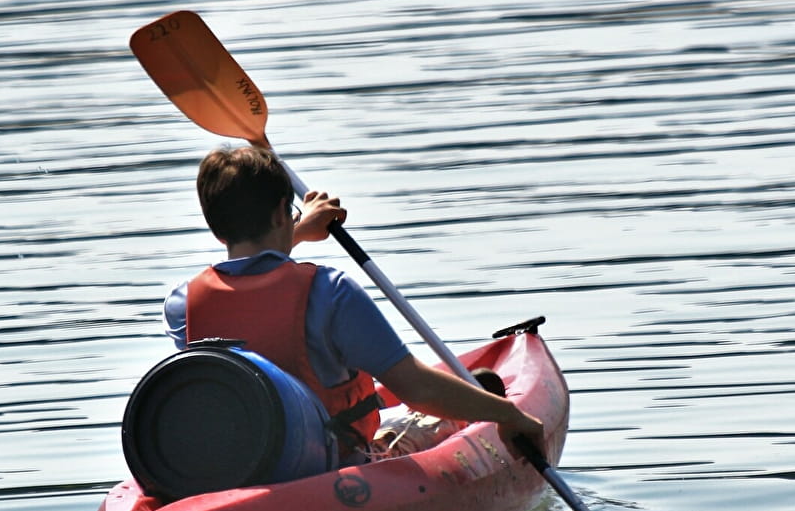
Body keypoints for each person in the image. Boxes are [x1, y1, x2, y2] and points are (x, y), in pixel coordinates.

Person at [163, 145, 545, 469]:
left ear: (216, 229)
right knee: (418, 419)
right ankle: (478, 402)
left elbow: (249, 283)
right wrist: (509, 414)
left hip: (240, 471)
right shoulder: (332, 292)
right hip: (335, 469)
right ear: (282, 211)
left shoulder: (184, 306)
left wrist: (294, 232)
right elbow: (416, 387)